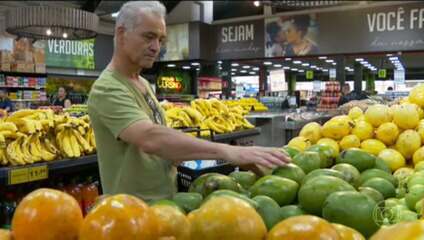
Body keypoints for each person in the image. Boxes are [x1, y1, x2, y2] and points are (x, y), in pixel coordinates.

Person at [87, 1, 290, 201]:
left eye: (160, 39)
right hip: (133, 214)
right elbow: (150, 138)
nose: (156, 47)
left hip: (166, 204)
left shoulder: (142, 83)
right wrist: (230, 152)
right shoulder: (107, 88)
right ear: (122, 34)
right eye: (149, 37)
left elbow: (164, 149)